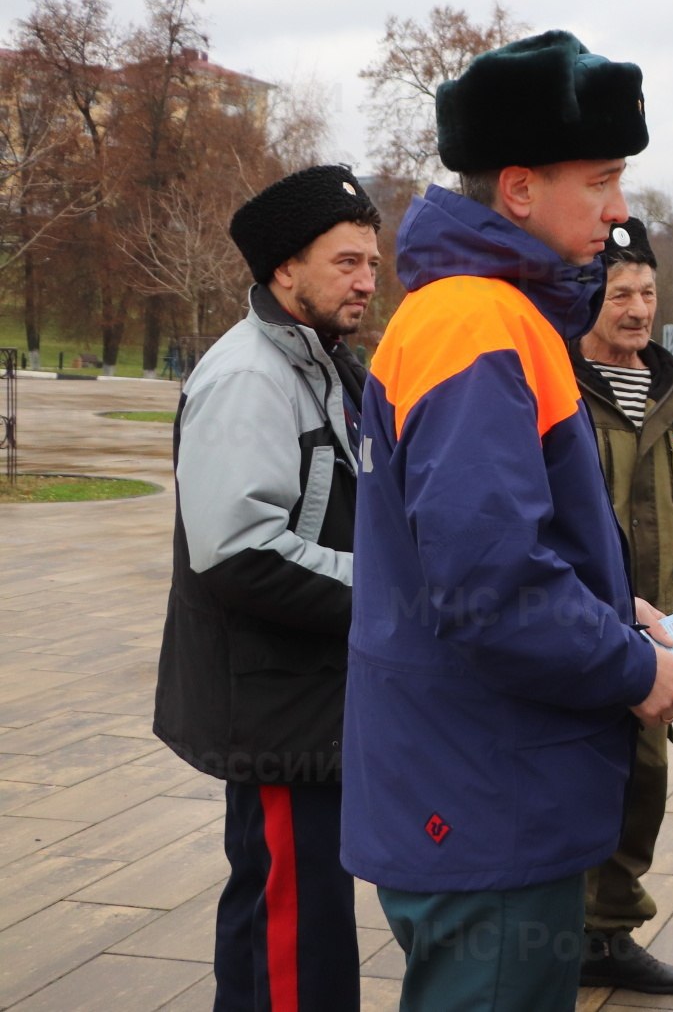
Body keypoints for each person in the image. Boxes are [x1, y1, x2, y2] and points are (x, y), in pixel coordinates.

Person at [341, 30, 673, 1009]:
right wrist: (631, 667)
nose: (619, 210)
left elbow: (485, 547)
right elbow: (490, 584)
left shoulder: (481, 314)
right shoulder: (479, 322)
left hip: (467, 780)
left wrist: (612, 609)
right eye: (599, 181)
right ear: (516, 189)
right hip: (483, 797)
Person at [154, 164, 382, 1012]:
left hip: (310, 694)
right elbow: (238, 553)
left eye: (371, 260)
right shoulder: (251, 374)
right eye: (346, 261)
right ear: (285, 269)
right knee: (293, 927)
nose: (367, 279)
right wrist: (385, 596)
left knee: (290, 911)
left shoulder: (321, 360)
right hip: (277, 702)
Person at [569, 216, 673, 996]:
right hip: (583, 626)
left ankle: (608, 932)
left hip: (661, 629)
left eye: (648, 291)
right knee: (573, 773)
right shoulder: (556, 379)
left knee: (644, 779)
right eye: (620, 291)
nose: (637, 308)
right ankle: (554, 929)